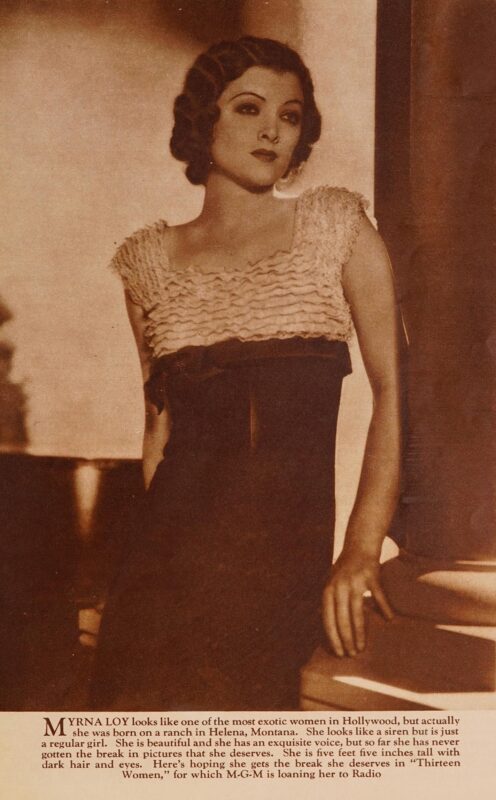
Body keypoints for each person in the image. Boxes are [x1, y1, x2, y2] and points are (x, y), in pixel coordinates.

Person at [89, 36, 400, 711]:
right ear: (204, 120)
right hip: (159, 578)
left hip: (282, 577)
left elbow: (395, 394)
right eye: (249, 108)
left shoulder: (336, 227)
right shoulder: (146, 262)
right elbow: (158, 433)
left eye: (290, 116)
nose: (272, 131)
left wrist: (361, 548)